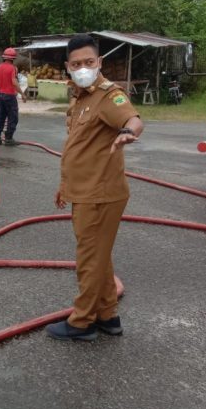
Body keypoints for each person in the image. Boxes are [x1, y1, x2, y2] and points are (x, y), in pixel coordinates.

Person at [46, 34, 144, 342]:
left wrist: (128, 132)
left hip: (100, 194)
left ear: (99, 62)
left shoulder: (108, 95)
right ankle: (107, 315)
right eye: (76, 64)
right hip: (84, 191)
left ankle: (82, 322)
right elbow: (79, 146)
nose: (83, 68)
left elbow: (132, 118)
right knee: (99, 256)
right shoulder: (80, 98)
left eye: (89, 62)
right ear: (68, 66)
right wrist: (65, 185)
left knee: (89, 259)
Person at [0, 47, 27, 146]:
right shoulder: (13, 68)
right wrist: (22, 94)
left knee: (0, 117)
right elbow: (14, 82)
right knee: (13, 117)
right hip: (10, 96)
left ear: (4, 57)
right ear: (13, 59)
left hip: (0, 96)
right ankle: (8, 138)